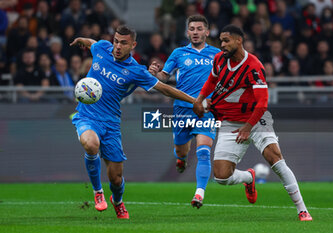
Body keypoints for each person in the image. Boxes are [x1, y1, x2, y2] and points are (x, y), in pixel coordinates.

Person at [70, 25, 195, 219]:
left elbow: (164, 88)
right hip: (87, 116)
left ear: (133, 45)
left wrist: (195, 101)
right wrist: (80, 39)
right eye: (116, 41)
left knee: (116, 179)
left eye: (123, 43)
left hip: (111, 124)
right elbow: (92, 43)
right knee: (91, 144)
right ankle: (98, 192)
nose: (118, 46)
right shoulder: (102, 49)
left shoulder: (136, 71)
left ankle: (118, 201)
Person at [192, 24, 313, 221]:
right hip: (230, 123)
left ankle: (302, 210)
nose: (222, 44)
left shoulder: (254, 66)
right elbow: (211, 82)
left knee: (276, 159)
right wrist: (199, 99)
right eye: (221, 40)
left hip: (256, 120)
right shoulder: (219, 59)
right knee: (221, 177)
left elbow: (263, 103)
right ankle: (249, 177)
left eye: (226, 40)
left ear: (239, 40)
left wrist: (248, 127)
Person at [148, 15, 221, 208]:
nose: (195, 32)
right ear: (187, 32)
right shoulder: (179, 53)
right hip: (181, 109)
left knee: (204, 151)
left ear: (207, 32)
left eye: (199, 29)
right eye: (192, 29)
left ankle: (199, 193)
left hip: (206, 110)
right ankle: (180, 159)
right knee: (181, 150)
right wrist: (155, 73)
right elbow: (164, 77)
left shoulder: (217, 54)